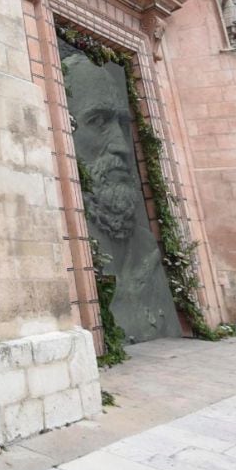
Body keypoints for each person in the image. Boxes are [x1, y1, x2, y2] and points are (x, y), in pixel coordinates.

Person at [60, 45, 181, 342]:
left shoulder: (145, 246)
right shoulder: (63, 247)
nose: (122, 146)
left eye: (123, 125)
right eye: (98, 121)